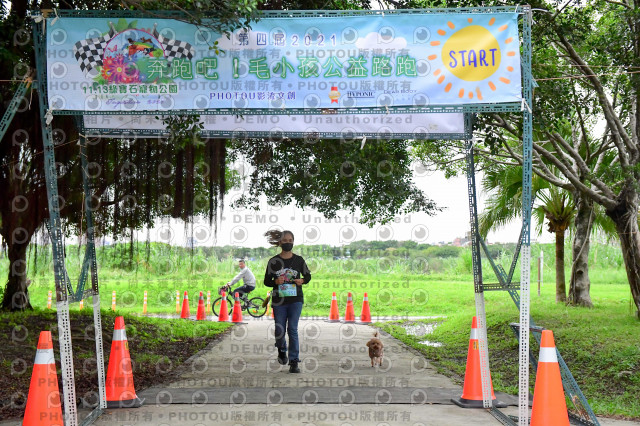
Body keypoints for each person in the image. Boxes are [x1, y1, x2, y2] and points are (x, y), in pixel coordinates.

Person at [263, 230, 311, 373]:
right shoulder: (273, 261)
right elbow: (266, 281)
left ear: (293, 242)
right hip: (279, 300)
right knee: (280, 330)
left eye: (290, 240)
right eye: (285, 241)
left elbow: (308, 276)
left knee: (292, 329)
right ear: (279, 243)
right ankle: (281, 349)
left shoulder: (299, 260)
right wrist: (275, 281)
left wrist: (302, 280)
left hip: (296, 299)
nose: (288, 243)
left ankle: (294, 361)